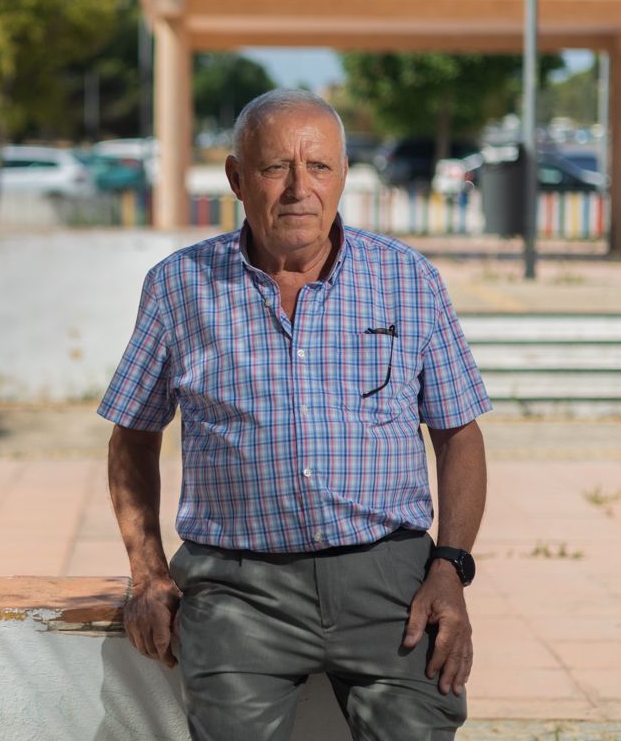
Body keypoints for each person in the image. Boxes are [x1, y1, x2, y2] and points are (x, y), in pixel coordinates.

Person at [100, 88, 491, 741]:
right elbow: (133, 437)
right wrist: (147, 573)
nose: (298, 189)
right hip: (237, 593)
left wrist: (450, 567)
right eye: (275, 166)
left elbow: (459, 435)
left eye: (319, 167)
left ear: (343, 177)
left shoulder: (406, 279)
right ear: (236, 178)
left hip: (391, 588)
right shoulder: (179, 287)